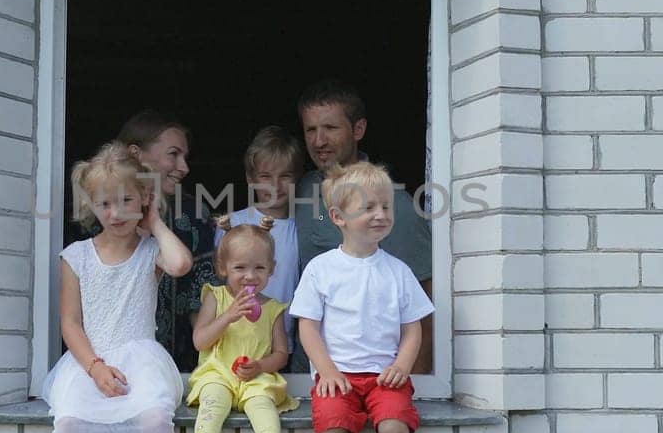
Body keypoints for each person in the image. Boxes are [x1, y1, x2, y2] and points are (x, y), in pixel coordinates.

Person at [42, 142, 190, 433]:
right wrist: (94, 367)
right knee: (66, 428)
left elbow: (182, 264)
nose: (117, 212)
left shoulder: (150, 251)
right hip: (90, 361)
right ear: (92, 205)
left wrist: (157, 223)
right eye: (106, 203)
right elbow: (70, 322)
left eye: (128, 200)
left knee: (153, 421)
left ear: (143, 199)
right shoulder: (77, 255)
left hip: (140, 357)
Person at [289, 161, 433, 433]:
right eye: (368, 208)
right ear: (338, 216)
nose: (380, 215)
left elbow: (412, 327)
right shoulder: (322, 269)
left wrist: (402, 365)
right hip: (339, 376)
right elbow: (308, 326)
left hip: (384, 377)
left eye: (385, 207)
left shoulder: (397, 271)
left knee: (393, 429)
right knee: (330, 429)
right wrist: (326, 370)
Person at [292, 80, 433, 374]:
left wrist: (418, 388)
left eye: (330, 128)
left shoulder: (395, 206)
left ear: (358, 130)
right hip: (310, 378)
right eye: (311, 130)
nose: (319, 141)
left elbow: (423, 312)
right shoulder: (302, 188)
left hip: (376, 381)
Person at [189, 224, 299, 433]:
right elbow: (200, 341)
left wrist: (261, 366)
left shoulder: (273, 309)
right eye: (240, 268)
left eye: (259, 268)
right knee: (213, 401)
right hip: (218, 373)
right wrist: (228, 316)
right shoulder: (215, 297)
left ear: (272, 269)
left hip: (255, 377)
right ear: (222, 268)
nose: (250, 276)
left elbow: (281, 354)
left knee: (263, 405)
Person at [117, 111, 220, 371]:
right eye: (173, 154)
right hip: (113, 365)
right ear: (135, 154)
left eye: (184, 157)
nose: (184, 167)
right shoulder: (104, 213)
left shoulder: (195, 213)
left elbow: (203, 295)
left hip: (181, 367)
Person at [214, 125, 304, 347]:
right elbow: (218, 283)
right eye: (266, 176)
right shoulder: (231, 223)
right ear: (250, 178)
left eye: (285, 176)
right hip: (235, 340)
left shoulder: (301, 228)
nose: (275, 185)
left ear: (297, 178)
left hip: (281, 343)